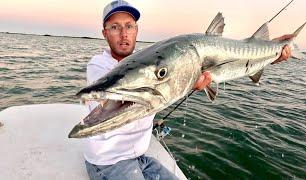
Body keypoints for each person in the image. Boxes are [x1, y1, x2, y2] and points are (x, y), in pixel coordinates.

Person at [83, 1, 292, 180]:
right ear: (104, 33)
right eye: (114, 27)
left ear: (137, 30)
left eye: (129, 26)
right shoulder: (99, 66)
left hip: (140, 157)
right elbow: (131, 94)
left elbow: (171, 78)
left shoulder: (151, 57)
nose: (123, 34)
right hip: (108, 162)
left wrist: (273, 51)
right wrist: (187, 79)